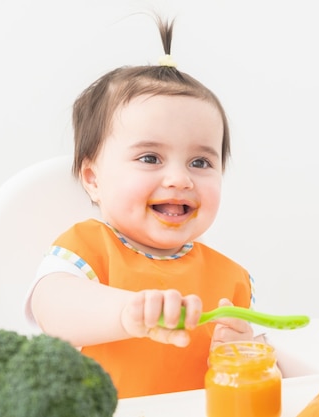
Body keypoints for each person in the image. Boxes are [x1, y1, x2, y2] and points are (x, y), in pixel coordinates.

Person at [26, 15, 260, 399]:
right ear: (93, 179)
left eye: (200, 162)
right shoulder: (86, 250)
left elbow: (271, 377)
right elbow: (53, 311)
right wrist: (127, 313)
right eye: (150, 158)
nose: (180, 179)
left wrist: (243, 353)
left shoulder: (230, 279)